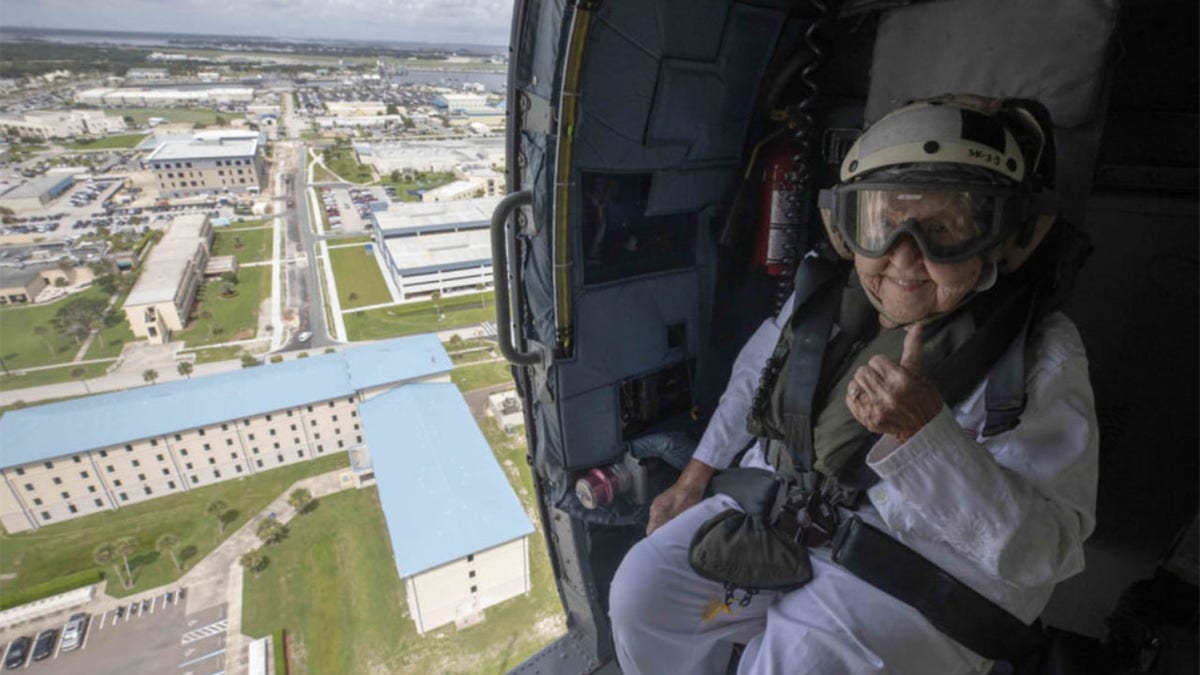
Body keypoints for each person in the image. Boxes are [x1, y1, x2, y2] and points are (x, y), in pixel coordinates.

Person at [608, 98, 1099, 674]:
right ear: (848, 227)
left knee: (798, 665)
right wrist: (696, 475)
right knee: (639, 595)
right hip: (784, 505)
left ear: (1001, 236)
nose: (904, 259)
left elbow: (1048, 549)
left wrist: (925, 437)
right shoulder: (826, 297)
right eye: (886, 225)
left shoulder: (1039, 350)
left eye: (943, 231)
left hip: (918, 564)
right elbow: (756, 377)